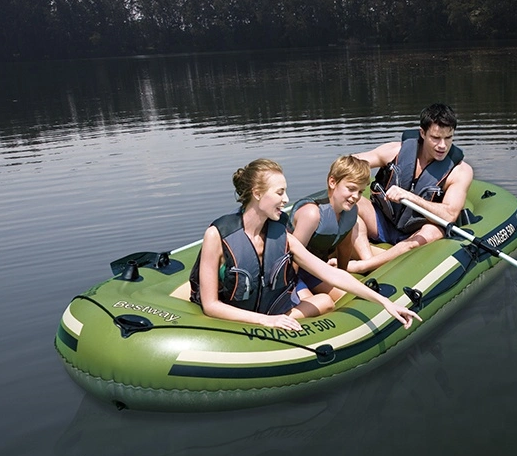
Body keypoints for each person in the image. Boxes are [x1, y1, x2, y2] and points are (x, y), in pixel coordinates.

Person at [188, 158, 422, 332]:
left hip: (271, 307)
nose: (287, 199)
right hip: (241, 315)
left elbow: (332, 274)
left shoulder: (282, 237)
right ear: (257, 193)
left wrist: (385, 303)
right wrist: (266, 321)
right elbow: (210, 305)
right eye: (280, 192)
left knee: (323, 301)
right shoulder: (217, 235)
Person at [347, 103, 474, 275]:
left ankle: (364, 266)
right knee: (350, 204)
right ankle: (369, 259)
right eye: (436, 138)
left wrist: (410, 197)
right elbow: (349, 164)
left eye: (448, 138)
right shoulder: (395, 151)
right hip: (382, 221)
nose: (442, 145)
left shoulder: (460, 171)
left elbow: (450, 215)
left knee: (434, 231)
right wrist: (354, 182)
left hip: (417, 230)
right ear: (422, 133)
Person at [288, 155, 371, 304]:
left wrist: (342, 276)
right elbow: (293, 256)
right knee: (313, 304)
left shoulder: (351, 212)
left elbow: (345, 246)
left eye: (360, 191)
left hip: (314, 269)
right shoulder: (312, 214)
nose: (356, 196)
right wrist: (288, 289)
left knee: (349, 297)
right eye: (351, 189)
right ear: (332, 182)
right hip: (290, 272)